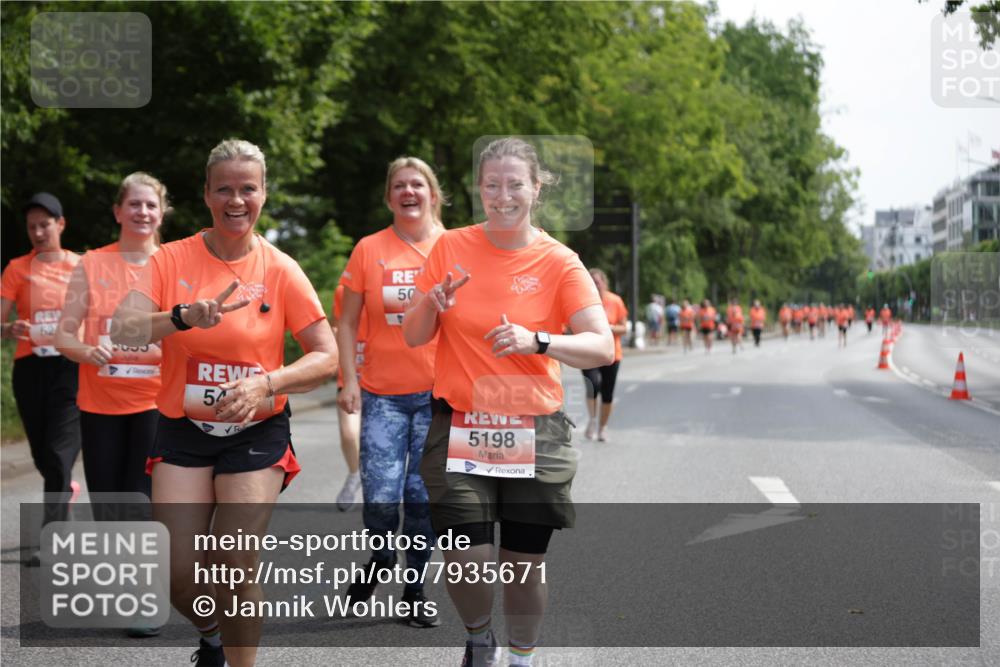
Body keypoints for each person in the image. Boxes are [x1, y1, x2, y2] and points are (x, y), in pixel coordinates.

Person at [112, 139, 337, 667]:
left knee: (234, 560)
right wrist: (183, 317)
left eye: (248, 189)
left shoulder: (281, 268)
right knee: (177, 570)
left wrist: (268, 383)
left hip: (257, 433)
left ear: (263, 194)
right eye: (225, 190)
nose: (237, 200)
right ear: (207, 195)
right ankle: (211, 633)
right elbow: (123, 329)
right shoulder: (170, 259)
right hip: (184, 429)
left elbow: (327, 358)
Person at [402, 137, 613, 667]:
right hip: (460, 424)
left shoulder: (559, 261)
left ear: (536, 189)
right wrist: (432, 302)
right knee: (466, 559)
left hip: (533, 429)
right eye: (492, 185)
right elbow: (412, 335)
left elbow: (601, 345)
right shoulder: (449, 247)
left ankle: (522, 656)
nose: (502, 196)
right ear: (479, 190)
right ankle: (479, 639)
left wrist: (539, 340)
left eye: (514, 184)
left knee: (523, 566)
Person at [337, 156, 446, 627]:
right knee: (381, 497)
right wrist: (349, 381)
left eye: (417, 185)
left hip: (437, 396)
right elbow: (344, 322)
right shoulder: (370, 248)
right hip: (381, 395)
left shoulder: (452, 246)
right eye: (399, 185)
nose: (408, 192)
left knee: (421, 499)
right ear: (389, 197)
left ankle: (415, 589)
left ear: (432, 194)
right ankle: (381, 559)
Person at [1, 192, 82, 561]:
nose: (37, 232)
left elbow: (101, 316)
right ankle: (65, 487)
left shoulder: (82, 267)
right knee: (41, 454)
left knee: (58, 450)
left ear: (61, 224)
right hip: (30, 368)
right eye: (32, 226)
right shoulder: (17, 268)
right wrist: (10, 326)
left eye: (44, 224)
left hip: (71, 366)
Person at [331, 284, 366, 511]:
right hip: (351, 375)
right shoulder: (343, 291)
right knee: (349, 433)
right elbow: (338, 325)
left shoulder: (393, 287)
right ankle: (355, 475)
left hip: (383, 379)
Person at [581, 268, 627, 442]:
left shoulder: (615, 301)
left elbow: (624, 327)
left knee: (607, 393)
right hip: (588, 352)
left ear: (604, 283)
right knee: (593, 385)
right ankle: (592, 420)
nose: (594, 285)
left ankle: (603, 428)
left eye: (597, 282)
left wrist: (611, 328)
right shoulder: (581, 300)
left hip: (611, 354)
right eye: (591, 282)